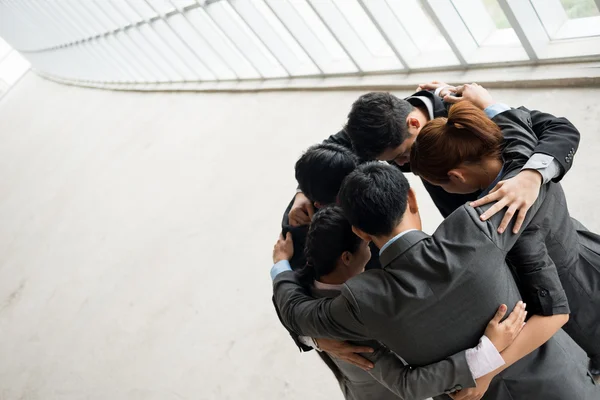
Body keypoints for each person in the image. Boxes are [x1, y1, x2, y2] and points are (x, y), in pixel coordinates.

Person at [272, 161, 599, 399]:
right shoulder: (473, 227)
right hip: (560, 384)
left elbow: (294, 312)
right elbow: (538, 190)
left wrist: (281, 267)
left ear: (360, 232)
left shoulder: (362, 300)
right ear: (412, 199)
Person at [409, 98, 600, 378]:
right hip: (585, 249)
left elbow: (553, 312)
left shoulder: (512, 222)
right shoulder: (520, 149)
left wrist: (484, 372)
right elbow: (517, 119)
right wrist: (484, 100)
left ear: (456, 176)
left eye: (440, 185)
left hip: (580, 299)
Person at [272, 205, 527, 400]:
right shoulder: (355, 308)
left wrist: (281, 266)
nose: (371, 242)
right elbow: (408, 384)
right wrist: (486, 354)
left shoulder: (308, 276)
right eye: (365, 241)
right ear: (347, 257)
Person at [288, 83, 580, 234]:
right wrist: (304, 193)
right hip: (469, 223)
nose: (405, 166)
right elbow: (329, 152)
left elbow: (559, 129)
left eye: (404, 155)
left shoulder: (465, 107)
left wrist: (532, 175)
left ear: (414, 124)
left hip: (533, 213)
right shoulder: (380, 125)